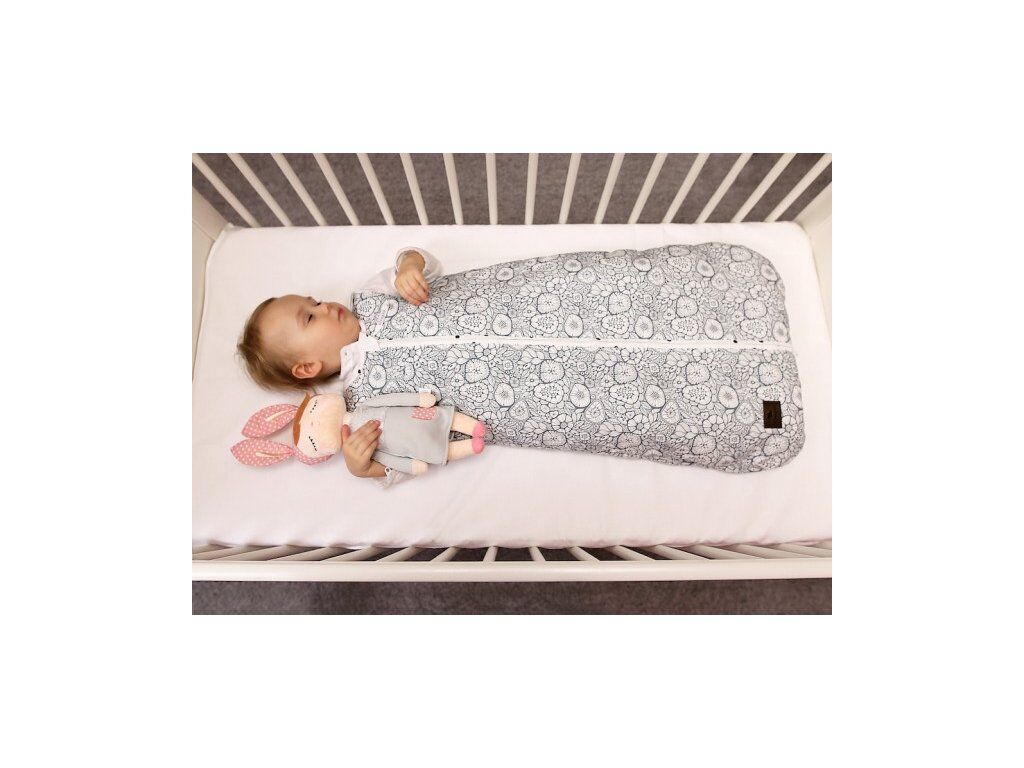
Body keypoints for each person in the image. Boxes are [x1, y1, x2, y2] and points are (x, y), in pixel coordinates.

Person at [237, 247, 442, 487]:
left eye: (316, 302)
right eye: (310, 317)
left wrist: (410, 265)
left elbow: (430, 268)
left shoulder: (371, 296)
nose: (325, 307)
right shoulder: (362, 405)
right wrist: (364, 468)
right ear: (307, 367)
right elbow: (415, 449)